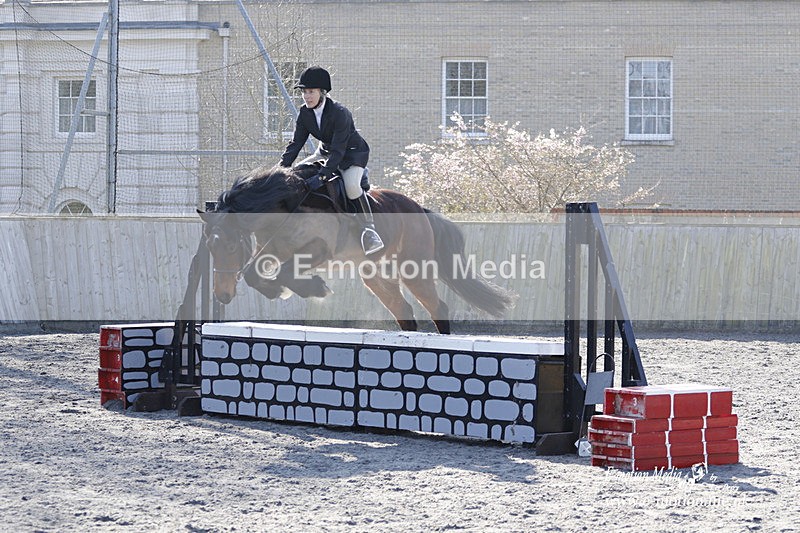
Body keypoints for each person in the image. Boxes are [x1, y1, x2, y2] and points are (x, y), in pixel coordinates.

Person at [279, 66, 384, 255]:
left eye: (311, 92)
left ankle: (370, 231)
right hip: (326, 151)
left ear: (322, 92)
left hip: (351, 154)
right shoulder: (305, 113)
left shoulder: (339, 113)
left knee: (352, 187)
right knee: (298, 173)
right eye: (304, 92)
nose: (306, 96)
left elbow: (339, 151)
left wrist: (321, 177)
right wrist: (281, 169)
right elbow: (296, 143)